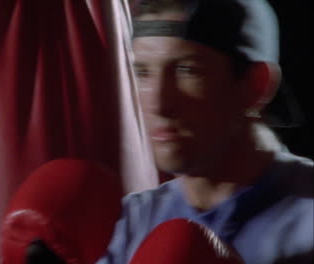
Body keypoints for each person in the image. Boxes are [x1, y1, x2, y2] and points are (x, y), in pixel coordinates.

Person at [96, 0, 314, 263]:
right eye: (143, 72)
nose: (157, 104)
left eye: (187, 70)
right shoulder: (136, 217)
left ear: (256, 85)